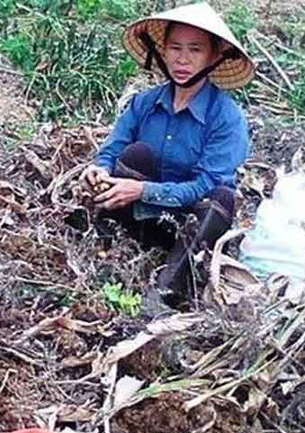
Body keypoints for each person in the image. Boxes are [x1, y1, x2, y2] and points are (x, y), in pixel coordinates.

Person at [80, 2, 255, 305]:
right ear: (162, 51)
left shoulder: (227, 118)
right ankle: (105, 247)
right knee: (136, 154)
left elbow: (205, 185)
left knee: (221, 198)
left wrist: (144, 190)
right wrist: (100, 168)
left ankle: (166, 292)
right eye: (175, 48)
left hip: (189, 232)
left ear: (214, 56)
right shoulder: (144, 103)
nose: (183, 59)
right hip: (140, 218)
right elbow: (114, 148)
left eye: (195, 50)